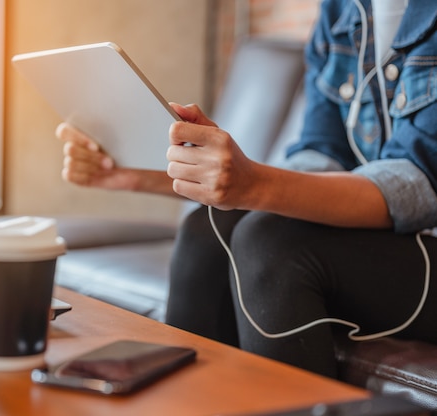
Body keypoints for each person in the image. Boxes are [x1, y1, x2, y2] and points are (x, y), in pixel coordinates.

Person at [56, 0, 437, 379]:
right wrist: (142, 174)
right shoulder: (342, 11)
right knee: (208, 227)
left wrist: (256, 185)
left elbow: (417, 188)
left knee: (273, 243)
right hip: (384, 242)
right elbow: (321, 154)